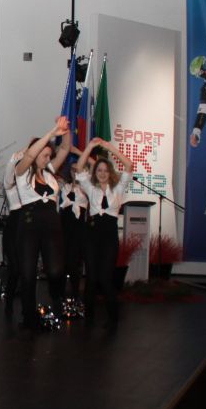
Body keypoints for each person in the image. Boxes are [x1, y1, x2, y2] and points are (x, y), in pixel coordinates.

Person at [14, 116, 71, 330]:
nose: (48, 158)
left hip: (52, 227)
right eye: (45, 155)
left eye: (49, 155)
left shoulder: (50, 172)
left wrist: (65, 130)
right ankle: (29, 318)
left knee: (56, 271)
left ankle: (57, 298)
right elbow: (29, 155)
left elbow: (65, 149)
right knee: (28, 274)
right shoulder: (22, 171)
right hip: (29, 225)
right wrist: (50, 133)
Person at [74, 138, 133, 326]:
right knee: (91, 277)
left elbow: (129, 165)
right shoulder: (90, 188)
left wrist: (109, 147)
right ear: (95, 172)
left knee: (105, 278)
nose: (102, 173)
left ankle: (113, 318)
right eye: (99, 170)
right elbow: (80, 167)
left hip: (109, 236)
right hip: (91, 235)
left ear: (110, 172)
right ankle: (88, 318)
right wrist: (89, 146)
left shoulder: (118, 188)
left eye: (105, 170)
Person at [58, 162, 88, 300]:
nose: (74, 172)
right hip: (64, 227)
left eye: (77, 169)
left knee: (74, 263)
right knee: (62, 262)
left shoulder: (86, 188)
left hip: (78, 229)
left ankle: (75, 295)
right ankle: (60, 296)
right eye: (72, 169)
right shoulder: (65, 186)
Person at [2, 150, 24, 316]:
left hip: (27, 225)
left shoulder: (28, 184)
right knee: (14, 268)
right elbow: (10, 167)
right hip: (13, 226)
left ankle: (26, 307)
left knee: (25, 269)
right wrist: (21, 154)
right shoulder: (10, 185)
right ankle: (9, 302)